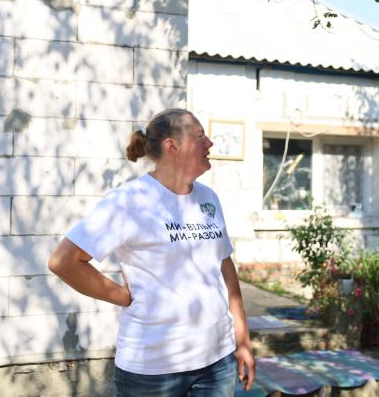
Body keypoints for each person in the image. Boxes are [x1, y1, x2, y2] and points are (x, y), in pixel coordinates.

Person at [48, 108, 255, 396]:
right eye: (200, 136)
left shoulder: (209, 198)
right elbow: (64, 261)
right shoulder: (129, 202)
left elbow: (224, 266)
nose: (210, 143)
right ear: (173, 147)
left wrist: (242, 339)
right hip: (153, 369)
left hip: (217, 361)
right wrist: (121, 295)